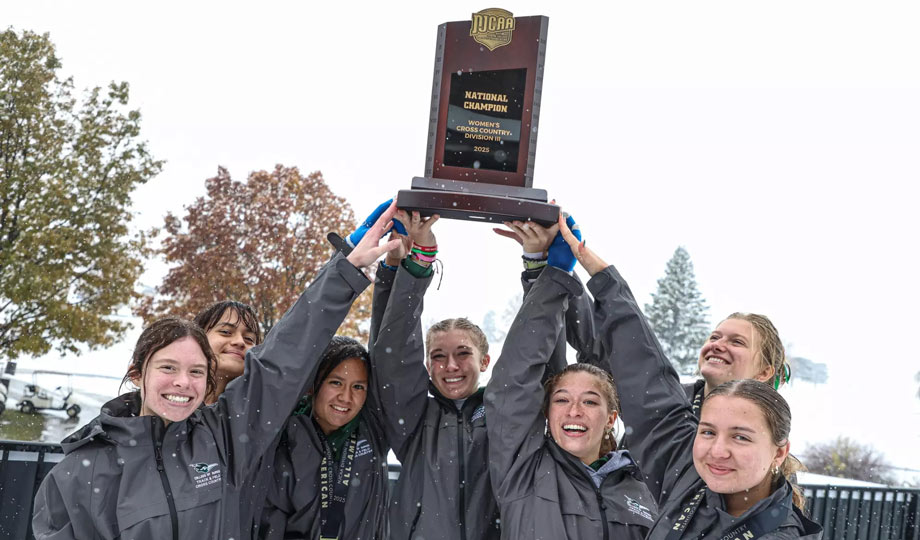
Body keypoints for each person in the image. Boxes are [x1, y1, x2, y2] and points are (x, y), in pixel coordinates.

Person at [31, 204, 400, 540]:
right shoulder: (82, 469)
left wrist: (345, 271)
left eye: (195, 371)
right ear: (137, 374)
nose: (182, 382)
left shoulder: (220, 435)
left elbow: (282, 360)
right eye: (168, 368)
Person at [553, 216, 823, 539]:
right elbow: (629, 362)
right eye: (707, 432)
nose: (717, 450)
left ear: (778, 451)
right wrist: (562, 271)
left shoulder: (759, 505)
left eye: (740, 437)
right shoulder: (688, 455)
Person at [484, 215, 658, 539]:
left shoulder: (644, 482)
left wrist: (557, 274)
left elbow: (622, 360)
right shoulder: (524, 471)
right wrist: (553, 274)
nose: (574, 410)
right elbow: (517, 376)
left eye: (590, 401)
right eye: (561, 400)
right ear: (546, 411)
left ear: (612, 417)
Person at [370, 209, 504, 540]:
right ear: (428, 366)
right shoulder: (416, 417)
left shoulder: (502, 413)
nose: (451, 367)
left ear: (485, 361)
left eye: (463, 354)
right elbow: (392, 353)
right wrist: (415, 266)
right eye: (439, 357)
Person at [257, 336, 390, 540]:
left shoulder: (373, 432)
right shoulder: (283, 440)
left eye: (358, 387)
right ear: (313, 385)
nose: (346, 397)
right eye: (336, 383)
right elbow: (270, 524)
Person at [685, 312, 791, 416]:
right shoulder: (672, 401)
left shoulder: (769, 426)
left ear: (764, 373)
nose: (716, 345)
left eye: (737, 342)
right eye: (714, 337)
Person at [194, 300, 263, 403]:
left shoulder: (265, 409)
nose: (240, 342)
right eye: (226, 332)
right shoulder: (166, 398)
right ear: (197, 338)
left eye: (249, 339)